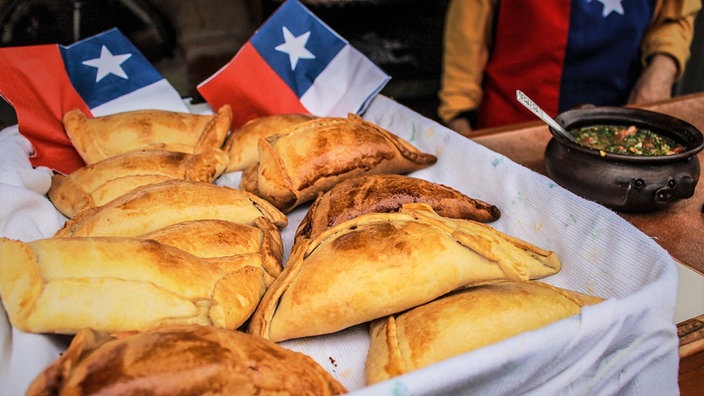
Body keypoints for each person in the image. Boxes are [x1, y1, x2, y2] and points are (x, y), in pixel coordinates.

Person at [438, 0, 702, 136]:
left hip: (617, 118)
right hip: (512, 120)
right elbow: (468, 25)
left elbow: (676, 15)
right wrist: (458, 112)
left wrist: (662, 67)